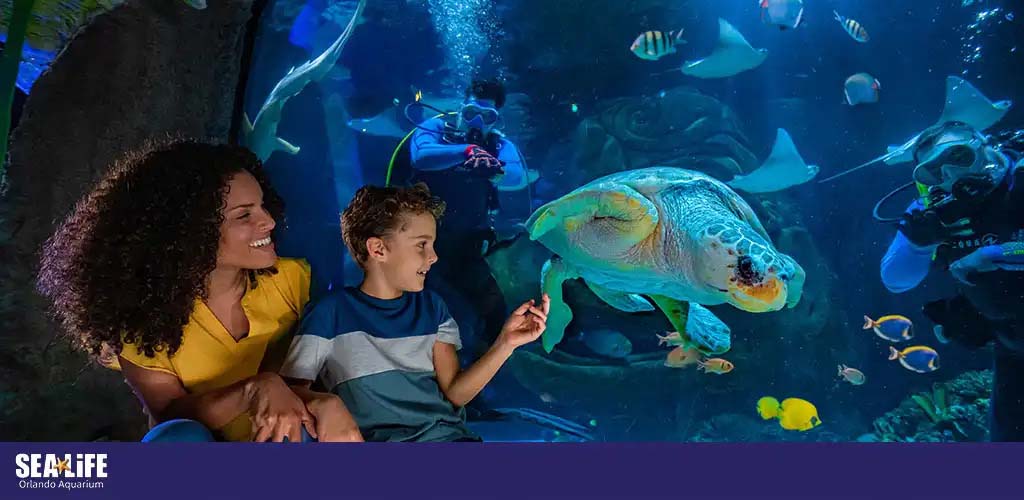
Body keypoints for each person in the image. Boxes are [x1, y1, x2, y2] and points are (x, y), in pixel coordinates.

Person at [36, 139, 360, 442]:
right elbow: (168, 416)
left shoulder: (296, 280)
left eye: (263, 206)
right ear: (189, 231)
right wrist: (252, 390)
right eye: (244, 215)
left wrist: (319, 401)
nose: (269, 221)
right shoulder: (139, 324)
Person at [279, 183, 550, 442]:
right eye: (422, 244)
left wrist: (506, 342)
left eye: (432, 245)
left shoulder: (433, 308)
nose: (433, 256)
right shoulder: (330, 314)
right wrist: (325, 402)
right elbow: (288, 393)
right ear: (378, 249)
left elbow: (456, 393)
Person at [879, 121, 1024, 441]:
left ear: (986, 147)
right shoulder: (933, 209)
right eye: (933, 173)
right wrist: (920, 244)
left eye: (959, 156)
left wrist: (994, 254)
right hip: (1013, 347)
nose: (950, 176)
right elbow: (895, 279)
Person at [407, 79, 530, 357]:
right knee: (423, 312)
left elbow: (518, 175)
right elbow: (421, 156)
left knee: (493, 312)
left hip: (468, 245)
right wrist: (466, 151)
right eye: (471, 111)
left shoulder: (498, 144)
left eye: (487, 116)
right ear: (461, 106)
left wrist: (494, 169)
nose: (477, 121)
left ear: (495, 119)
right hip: (418, 244)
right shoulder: (437, 128)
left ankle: (480, 377)